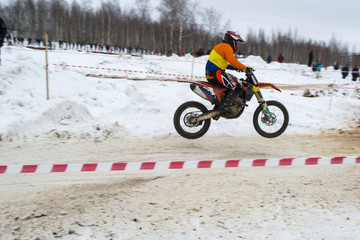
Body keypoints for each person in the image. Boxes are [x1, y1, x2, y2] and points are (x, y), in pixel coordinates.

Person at [205, 31, 252, 114]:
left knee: (234, 83)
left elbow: (225, 64)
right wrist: (245, 68)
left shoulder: (222, 47)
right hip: (216, 73)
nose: (236, 45)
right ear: (232, 40)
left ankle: (221, 105)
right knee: (237, 86)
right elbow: (232, 60)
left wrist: (235, 68)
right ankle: (223, 107)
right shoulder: (226, 46)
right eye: (236, 43)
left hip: (214, 73)